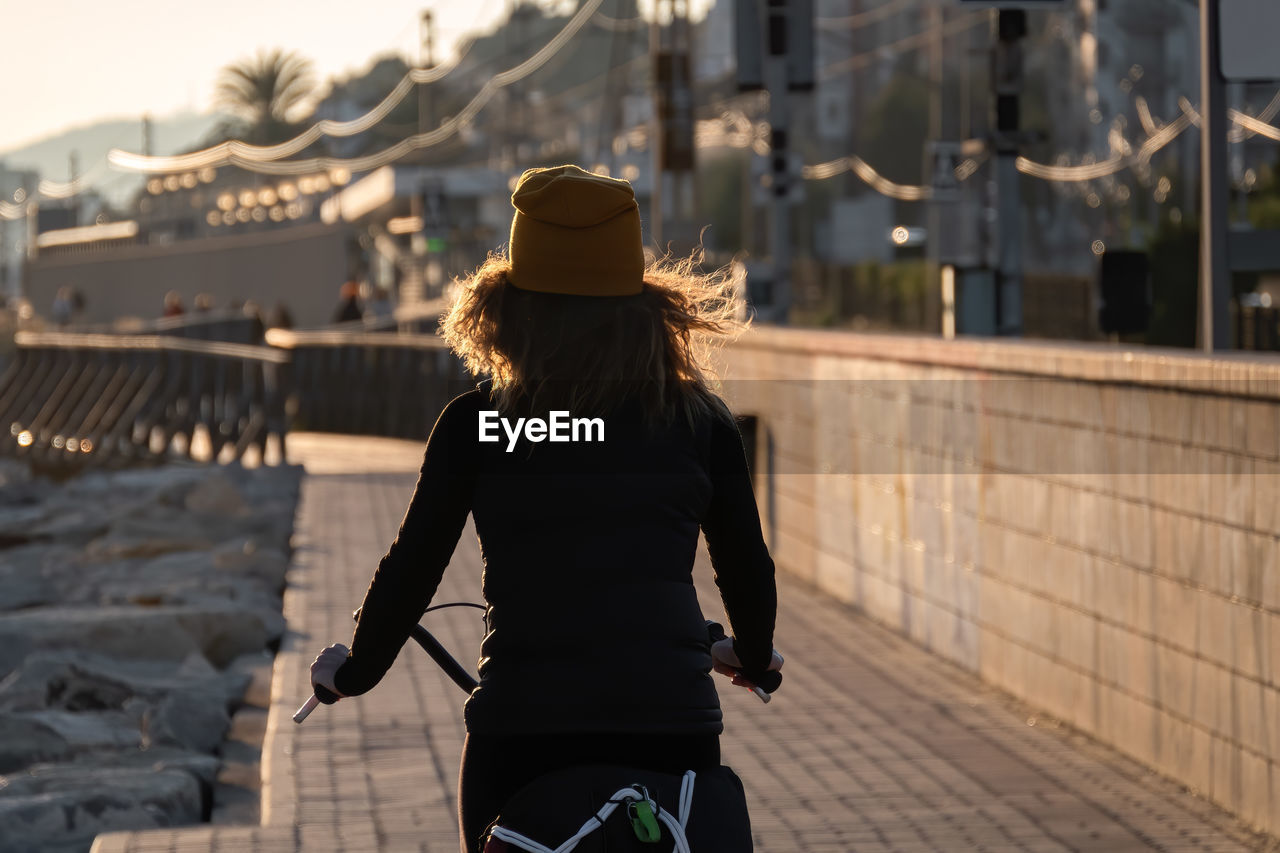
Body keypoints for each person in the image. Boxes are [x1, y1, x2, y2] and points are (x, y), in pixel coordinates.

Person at [309, 165, 781, 853]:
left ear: (508, 307)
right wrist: (751, 652)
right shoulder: (699, 424)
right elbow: (746, 566)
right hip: (671, 729)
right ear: (644, 303)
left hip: (524, 732)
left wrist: (354, 669)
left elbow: (412, 567)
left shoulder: (480, 426)